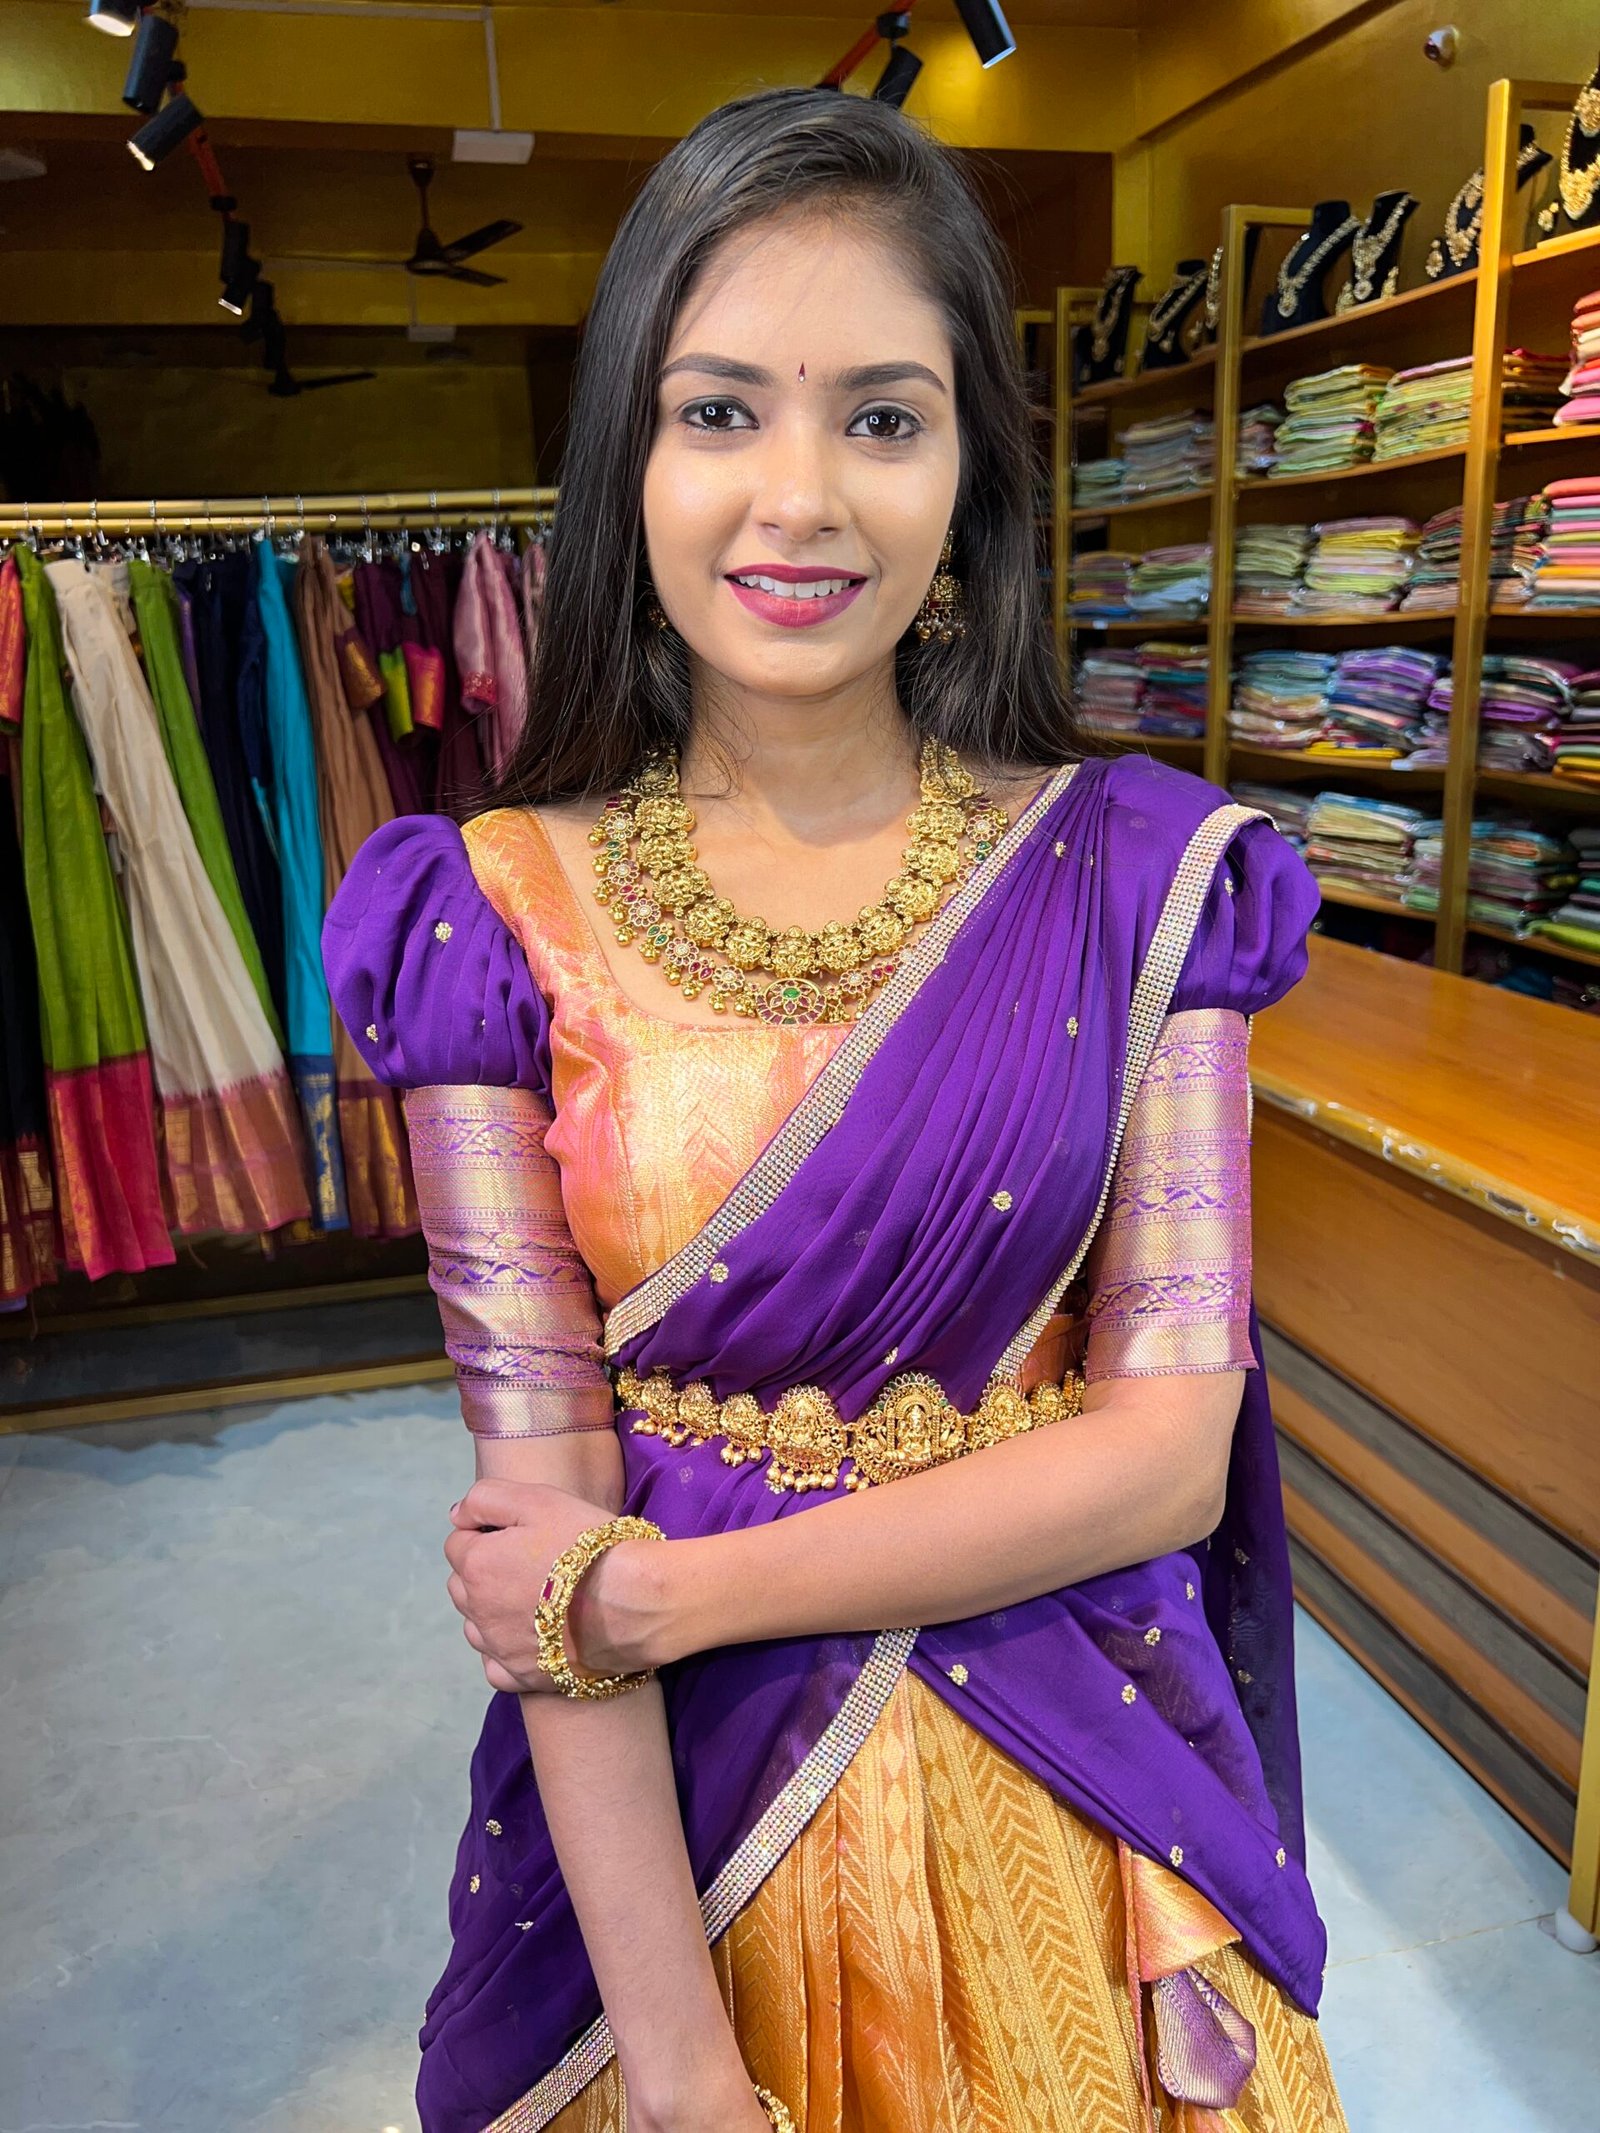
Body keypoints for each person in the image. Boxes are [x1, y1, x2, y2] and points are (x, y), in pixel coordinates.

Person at [324, 85, 1348, 2133]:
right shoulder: (487, 918)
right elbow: (543, 1525)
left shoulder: (1143, 881)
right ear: (626, 460)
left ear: (970, 477)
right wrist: (683, 2073)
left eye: (882, 417)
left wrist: (675, 1585)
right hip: (674, 1847)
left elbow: (1164, 1457)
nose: (797, 497)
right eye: (719, 412)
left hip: (1073, 1799)